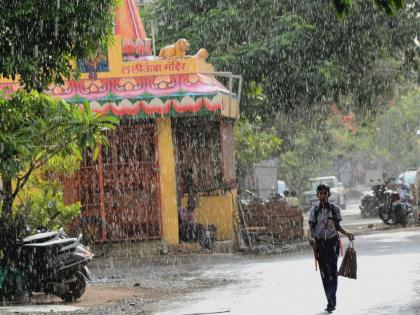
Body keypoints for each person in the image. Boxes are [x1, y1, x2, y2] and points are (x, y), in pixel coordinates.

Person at [308, 184, 354, 313]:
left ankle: (333, 298)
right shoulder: (314, 211)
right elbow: (311, 228)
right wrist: (311, 238)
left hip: (332, 243)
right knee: (324, 274)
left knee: (333, 272)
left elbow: (338, 227)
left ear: (329, 194)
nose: (322, 196)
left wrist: (348, 234)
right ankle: (329, 299)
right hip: (320, 244)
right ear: (317, 195)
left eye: (325, 193)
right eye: (320, 193)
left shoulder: (335, 209)